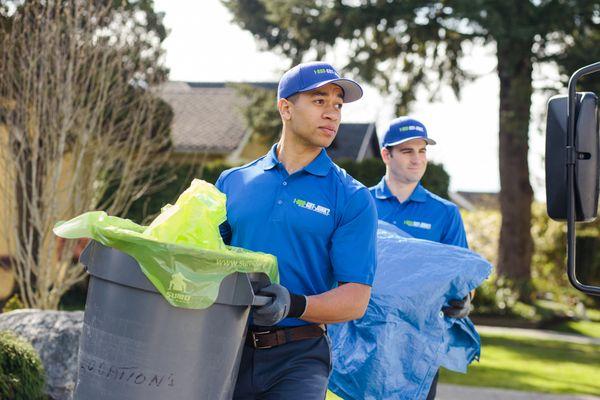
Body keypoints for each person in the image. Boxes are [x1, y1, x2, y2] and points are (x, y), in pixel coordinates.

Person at [216, 61, 378, 399]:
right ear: (285, 108)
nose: (332, 113)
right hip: (224, 349)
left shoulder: (351, 197)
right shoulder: (233, 182)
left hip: (300, 356)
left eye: (338, 104)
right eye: (320, 101)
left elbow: (355, 299)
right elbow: (204, 260)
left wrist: (293, 304)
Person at [369, 116, 472, 400]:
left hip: (419, 342)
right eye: (407, 151)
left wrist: (464, 300)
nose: (417, 159)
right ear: (386, 155)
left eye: (422, 150)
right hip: (365, 336)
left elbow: (461, 277)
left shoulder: (445, 213)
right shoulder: (361, 204)